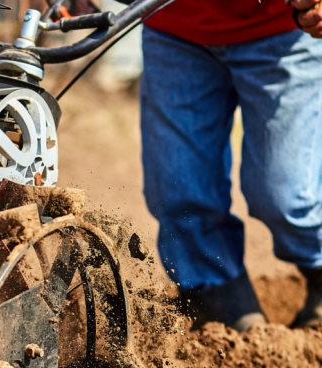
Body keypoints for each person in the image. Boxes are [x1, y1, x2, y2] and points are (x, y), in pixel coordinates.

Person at [138, 0, 322, 331]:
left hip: (283, 29)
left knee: (286, 197)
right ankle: (220, 302)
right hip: (174, 28)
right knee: (178, 189)